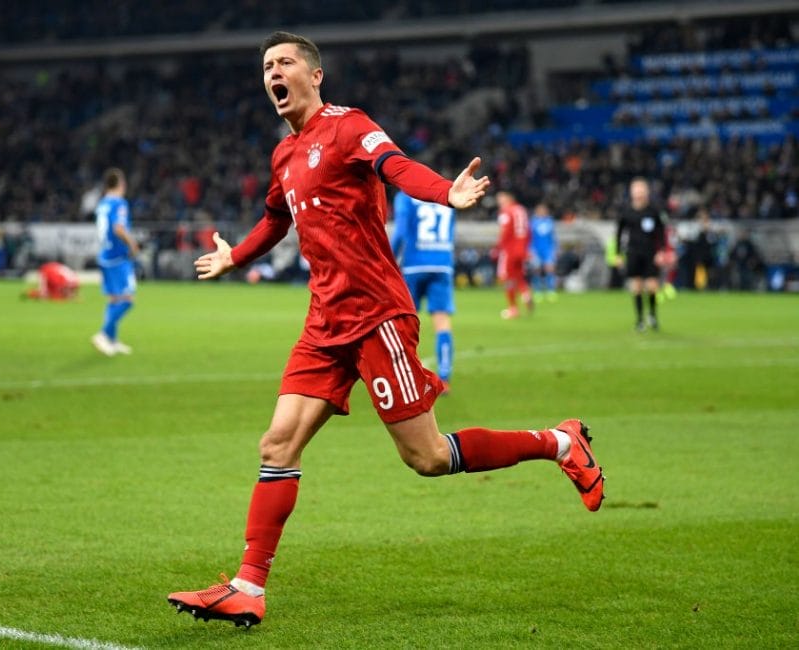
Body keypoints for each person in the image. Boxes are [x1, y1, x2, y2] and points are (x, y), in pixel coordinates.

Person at [167, 31, 605, 629]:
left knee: (426, 457)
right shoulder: (284, 156)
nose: (274, 71)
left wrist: (445, 192)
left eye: (285, 62)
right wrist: (235, 257)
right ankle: (248, 586)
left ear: (314, 75)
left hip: (376, 316)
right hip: (324, 322)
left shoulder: (348, 127)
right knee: (277, 445)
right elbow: (275, 219)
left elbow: (394, 166)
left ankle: (559, 441)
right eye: (267, 65)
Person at [389, 190, 456, 392]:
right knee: (442, 322)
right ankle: (444, 378)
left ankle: (404, 376)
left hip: (414, 266)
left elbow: (400, 231)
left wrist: (389, 259)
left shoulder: (405, 197)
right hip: (442, 265)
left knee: (406, 321)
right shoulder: (446, 196)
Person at [91, 167, 139, 356]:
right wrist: (132, 244)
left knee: (114, 299)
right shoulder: (119, 203)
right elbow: (118, 228)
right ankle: (103, 334)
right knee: (128, 300)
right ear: (121, 184)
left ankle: (111, 340)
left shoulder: (102, 203)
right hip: (118, 257)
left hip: (105, 255)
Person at [615, 178, 666, 331]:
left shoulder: (654, 210)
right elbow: (619, 233)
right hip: (633, 252)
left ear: (646, 191)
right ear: (632, 192)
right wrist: (618, 254)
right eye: (636, 190)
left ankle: (652, 315)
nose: (638, 193)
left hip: (651, 253)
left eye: (641, 190)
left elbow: (661, 232)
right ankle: (639, 320)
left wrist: (661, 251)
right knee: (636, 286)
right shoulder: (626, 211)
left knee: (652, 286)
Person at [493, 191, 533, 319]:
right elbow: (528, 230)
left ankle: (513, 309)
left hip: (509, 249)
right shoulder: (521, 210)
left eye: (501, 198)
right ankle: (526, 294)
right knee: (519, 276)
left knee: (507, 279)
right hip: (522, 249)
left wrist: (498, 246)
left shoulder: (506, 211)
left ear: (509, 198)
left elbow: (504, 230)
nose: (499, 202)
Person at [529, 202, 558, 302]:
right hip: (536, 249)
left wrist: (554, 249)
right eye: (540, 210)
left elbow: (552, 237)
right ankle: (537, 291)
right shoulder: (533, 223)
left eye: (544, 210)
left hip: (548, 250)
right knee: (536, 270)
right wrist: (530, 250)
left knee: (550, 269)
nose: (542, 212)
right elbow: (530, 238)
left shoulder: (550, 221)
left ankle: (551, 291)